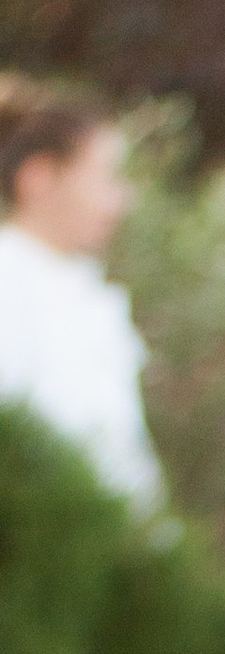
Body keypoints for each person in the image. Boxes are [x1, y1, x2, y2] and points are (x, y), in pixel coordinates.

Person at [0, 78, 163, 511]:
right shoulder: (10, 288)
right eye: (105, 178)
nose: (121, 199)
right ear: (38, 178)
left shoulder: (83, 288)